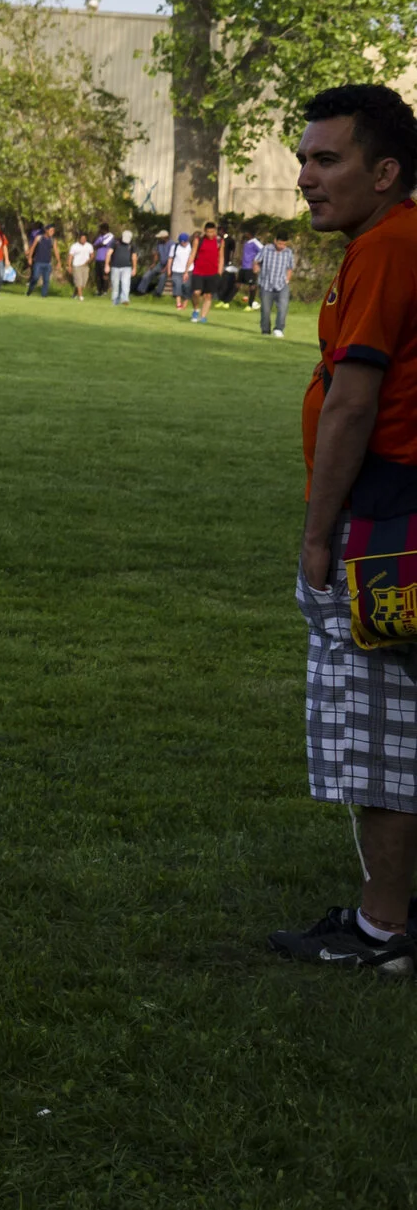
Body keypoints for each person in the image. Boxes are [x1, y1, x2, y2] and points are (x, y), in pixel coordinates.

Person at [271, 84, 417, 974]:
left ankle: (380, 926)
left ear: (386, 171)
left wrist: (320, 535)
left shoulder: (389, 245)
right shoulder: (395, 239)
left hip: (386, 515)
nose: (306, 178)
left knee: (379, 728)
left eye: (327, 160)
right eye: (303, 159)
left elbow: (353, 399)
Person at [261, 234, 297, 337]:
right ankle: (265, 330)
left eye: (284, 244)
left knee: (283, 307)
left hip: (282, 284)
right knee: (266, 309)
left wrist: (287, 279)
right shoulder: (266, 249)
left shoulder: (288, 252)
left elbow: (290, 267)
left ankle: (279, 328)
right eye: (280, 243)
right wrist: (257, 270)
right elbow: (257, 260)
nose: (281, 246)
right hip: (267, 284)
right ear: (275, 240)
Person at [189, 227, 222, 322]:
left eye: (212, 231)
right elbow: (193, 254)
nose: (210, 234)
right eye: (208, 231)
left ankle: (203, 317)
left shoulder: (219, 241)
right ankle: (195, 309)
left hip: (212, 272)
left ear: (215, 231)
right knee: (196, 292)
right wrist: (187, 270)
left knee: (208, 295)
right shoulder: (199, 240)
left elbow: (221, 256)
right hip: (199, 271)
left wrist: (219, 271)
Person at [27, 223, 55, 297]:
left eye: (53, 231)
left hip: (47, 263)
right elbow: (32, 248)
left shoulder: (52, 240)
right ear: (46, 231)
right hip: (38, 262)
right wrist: (29, 258)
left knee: (46, 281)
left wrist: (58, 262)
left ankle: (44, 296)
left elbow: (56, 251)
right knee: (35, 277)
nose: (52, 232)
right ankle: (30, 290)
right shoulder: (39, 238)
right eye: (51, 230)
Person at [109, 230, 136, 305]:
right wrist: (107, 265)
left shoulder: (132, 245)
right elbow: (109, 253)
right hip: (115, 267)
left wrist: (134, 268)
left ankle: (125, 299)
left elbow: (134, 257)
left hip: (127, 267)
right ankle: (115, 301)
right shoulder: (115, 243)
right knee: (115, 284)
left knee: (125, 283)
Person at [68, 229, 93, 300]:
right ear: (79, 239)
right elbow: (70, 256)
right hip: (77, 265)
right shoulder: (74, 246)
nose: (83, 240)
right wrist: (69, 266)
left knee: (83, 283)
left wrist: (89, 260)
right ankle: (80, 296)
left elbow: (92, 255)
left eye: (84, 239)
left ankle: (75, 294)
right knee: (79, 281)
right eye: (82, 239)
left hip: (85, 266)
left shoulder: (89, 246)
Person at [169, 231, 194, 303]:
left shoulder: (191, 247)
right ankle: (178, 304)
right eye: (181, 242)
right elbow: (170, 258)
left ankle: (185, 303)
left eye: (185, 242)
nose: (183, 243)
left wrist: (186, 271)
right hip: (176, 270)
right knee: (177, 287)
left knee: (186, 287)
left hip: (188, 270)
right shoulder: (175, 247)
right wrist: (169, 269)